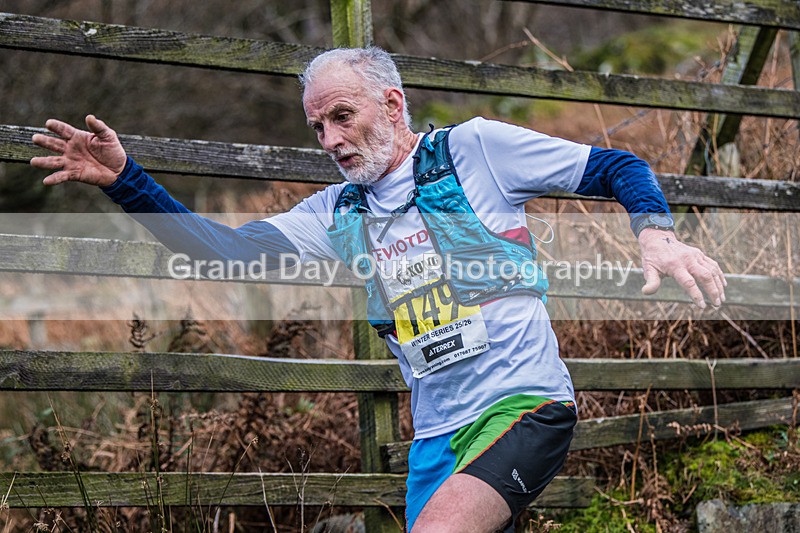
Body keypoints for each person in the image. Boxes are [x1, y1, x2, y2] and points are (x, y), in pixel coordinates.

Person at [30, 47, 725, 532]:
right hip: (437, 440)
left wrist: (656, 234)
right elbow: (225, 252)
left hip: (523, 406)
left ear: (391, 103)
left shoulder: (473, 150)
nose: (330, 139)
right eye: (318, 127)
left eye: (341, 116)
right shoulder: (336, 213)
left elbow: (616, 165)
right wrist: (128, 182)